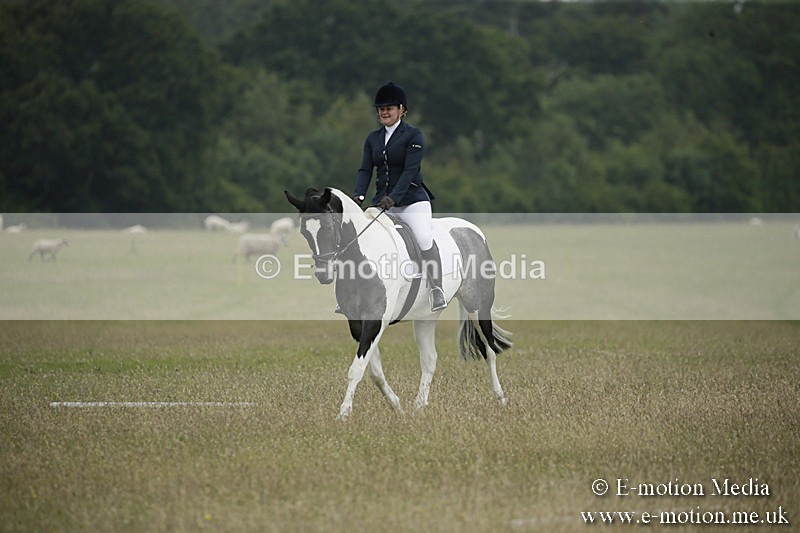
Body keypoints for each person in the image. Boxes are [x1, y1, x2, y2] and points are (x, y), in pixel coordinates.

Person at [352, 82, 446, 312]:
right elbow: (365, 170)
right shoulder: (372, 139)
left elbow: (410, 171)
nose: (384, 112)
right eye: (380, 109)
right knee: (362, 241)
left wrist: (393, 198)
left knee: (423, 239)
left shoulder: (413, 135)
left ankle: (437, 289)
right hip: (382, 202)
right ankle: (354, 292)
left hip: (412, 200)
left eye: (389, 108)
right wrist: (359, 195)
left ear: (401, 109)